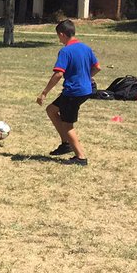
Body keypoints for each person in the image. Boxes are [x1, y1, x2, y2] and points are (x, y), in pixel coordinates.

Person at [37, 19, 99, 167]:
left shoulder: (65, 51)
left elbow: (58, 74)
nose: (59, 39)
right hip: (85, 90)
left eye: (58, 36)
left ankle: (81, 157)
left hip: (73, 92)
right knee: (51, 110)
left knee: (67, 124)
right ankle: (66, 143)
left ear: (62, 34)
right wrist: (86, 78)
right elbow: (97, 67)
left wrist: (44, 92)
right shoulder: (85, 48)